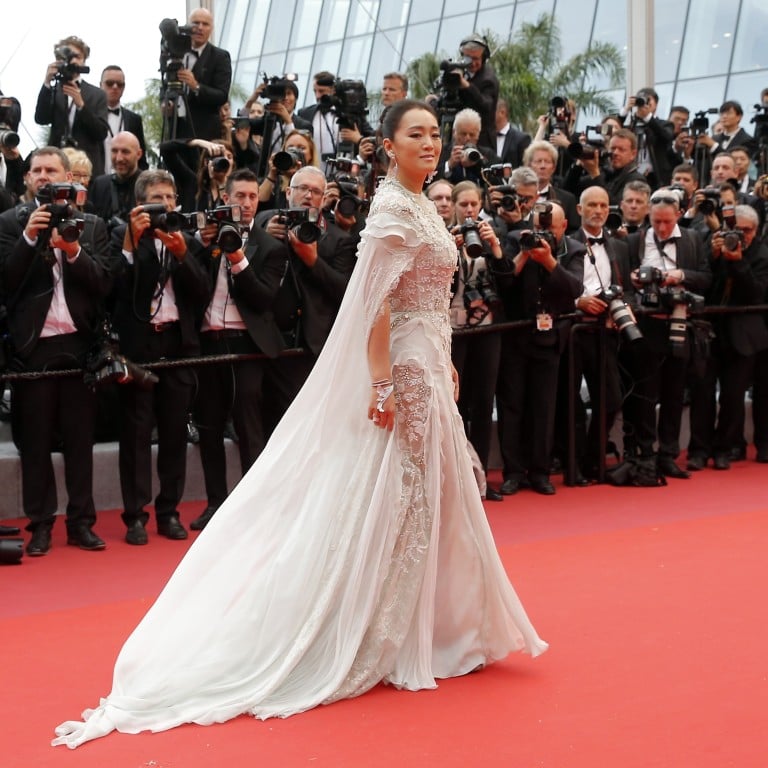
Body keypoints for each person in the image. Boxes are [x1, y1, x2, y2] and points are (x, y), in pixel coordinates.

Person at [51, 98, 547, 749]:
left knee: (431, 500)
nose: (430, 143)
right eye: (416, 134)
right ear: (388, 144)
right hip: (403, 372)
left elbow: (429, 302)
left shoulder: (427, 204)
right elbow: (375, 307)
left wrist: (444, 361)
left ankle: (434, 627)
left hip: (430, 364)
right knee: (401, 499)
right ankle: (382, 634)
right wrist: (382, 381)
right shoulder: (394, 210)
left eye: (435, 133)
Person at [0, 147, 113, 556]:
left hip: (81, 346)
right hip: (33, 348)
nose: (44, 177)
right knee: (35, 445)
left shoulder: (94, 224)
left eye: (52, 170)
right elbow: (7, 284)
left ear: (69, 176)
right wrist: (31, 237)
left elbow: (104, 283)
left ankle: (82, 523)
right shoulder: (10, 223)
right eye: (37, 170)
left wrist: (73, 252)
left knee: (81, 442)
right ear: (27, 178)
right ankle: (41, 525)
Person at [110, 170, 210, 545]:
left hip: (178, 346)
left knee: (174, 435)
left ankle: (168, 512)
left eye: (169, 197)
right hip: (139, 348)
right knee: (135, 436)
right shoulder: (123, 235)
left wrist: (184, 255)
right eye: (156, 198)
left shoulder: (186, 240)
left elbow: (200, 292)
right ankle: (134, 516)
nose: (165, 204)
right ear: (140, 204)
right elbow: (116, 290)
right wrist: (132, 244)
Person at [191, 168, 289, 531]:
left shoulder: (271, 247)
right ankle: (216, 503)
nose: (246, 203)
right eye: (239, 196)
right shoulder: (203, 241)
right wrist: (203, 247)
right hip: (208, 343)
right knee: (209, 427)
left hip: (248, 346)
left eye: (252, 197)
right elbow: (189, 287)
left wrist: (237, 259)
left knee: (250, 427)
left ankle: (255, 506)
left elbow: (264, 299)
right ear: (225, 199)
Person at [34, 35, 109, 177]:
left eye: (77, 56)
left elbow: (101, 132)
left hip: (86, 168)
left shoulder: (97, 94)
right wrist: (47, 83)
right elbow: (41, 119)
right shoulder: (54, 90)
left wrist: (81, 105)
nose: (72, 60)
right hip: (57, 165)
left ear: (84, 60)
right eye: (67, 56)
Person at [99, 65, 148, 173]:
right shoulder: (92, 116)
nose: (115, 87)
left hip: (127, 182)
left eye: (120, 84)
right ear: (100, 85)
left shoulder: (134, 119)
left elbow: (141, 158)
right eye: (110, 83)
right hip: (96, 181)